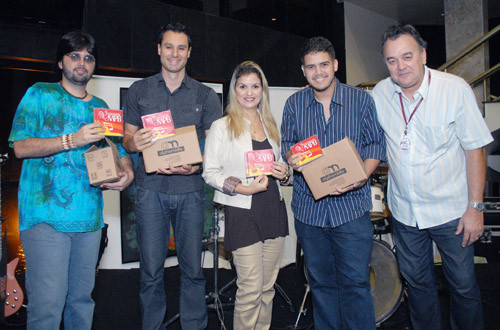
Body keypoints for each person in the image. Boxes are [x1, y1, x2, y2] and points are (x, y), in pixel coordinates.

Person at [8, 31, 134, 329]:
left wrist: (127, 173)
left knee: (81, 302)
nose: (82, 63)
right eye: (74, 56)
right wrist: (72, 139)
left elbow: (119, 149)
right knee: (47, 307)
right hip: (45, 218)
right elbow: (20, 146)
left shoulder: (102, 105)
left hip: (89, 220)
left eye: (88, 58)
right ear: (61, 61)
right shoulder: (40, 93)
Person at [371, 24, 491, 330]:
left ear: (423, 55)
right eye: (392, 60)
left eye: (407, 56)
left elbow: (475, 149)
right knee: (419, 286)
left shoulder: (455, 89)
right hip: (405, 213)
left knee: (463, 287)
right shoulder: (382, 93)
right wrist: (318, 90)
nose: (400, 66)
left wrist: (475, 208)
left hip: (452, 212)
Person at [281, 37, 386, 329]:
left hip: (351, 209)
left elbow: (376, 144)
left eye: (324, 64)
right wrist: (293, 157)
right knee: (321, 285)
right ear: (303, 71)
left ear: (335, 65)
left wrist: (360, 177)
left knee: (355, 283)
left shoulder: (360, 100)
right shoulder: (294, 104)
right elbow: (287, 145)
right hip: (309, 212)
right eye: (311, 67)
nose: (318, 72)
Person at [122, 22, 221, 330]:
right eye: (169, 46)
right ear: (159, 50)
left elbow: (215, 145)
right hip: (149, 190)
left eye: (181, 48)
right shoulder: (139, 90)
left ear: (189, 53)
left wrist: (198, 164)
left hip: (191, 191)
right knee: (150, 269)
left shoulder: (206, 96)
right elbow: (126, 139)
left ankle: (194, 325)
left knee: (192, 268)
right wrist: (134, 143)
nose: (174, 53)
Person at [203, 61, 289, 329]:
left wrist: (285, 172)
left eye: (255, 86)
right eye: (243, 86)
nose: (249, 92)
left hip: (273, 209)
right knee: (250, 288)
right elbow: (210, 173)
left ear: (263, 90)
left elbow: (283, 170)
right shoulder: (222, 126)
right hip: (241, 210)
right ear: (234, 90)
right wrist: (242, 187)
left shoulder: (272, 125)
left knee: (267, 287)